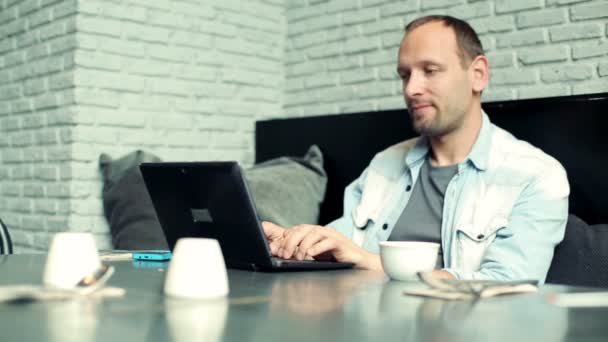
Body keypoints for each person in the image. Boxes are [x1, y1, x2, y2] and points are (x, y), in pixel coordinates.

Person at [262, 15, 569, 282]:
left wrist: (373, 264)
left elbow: (507, 284)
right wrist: (295, 242)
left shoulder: (535, 175)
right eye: (405, 75)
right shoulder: (384, 164)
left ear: (478, 74)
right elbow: (343, 246)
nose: (411, 89)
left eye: (430, 70)